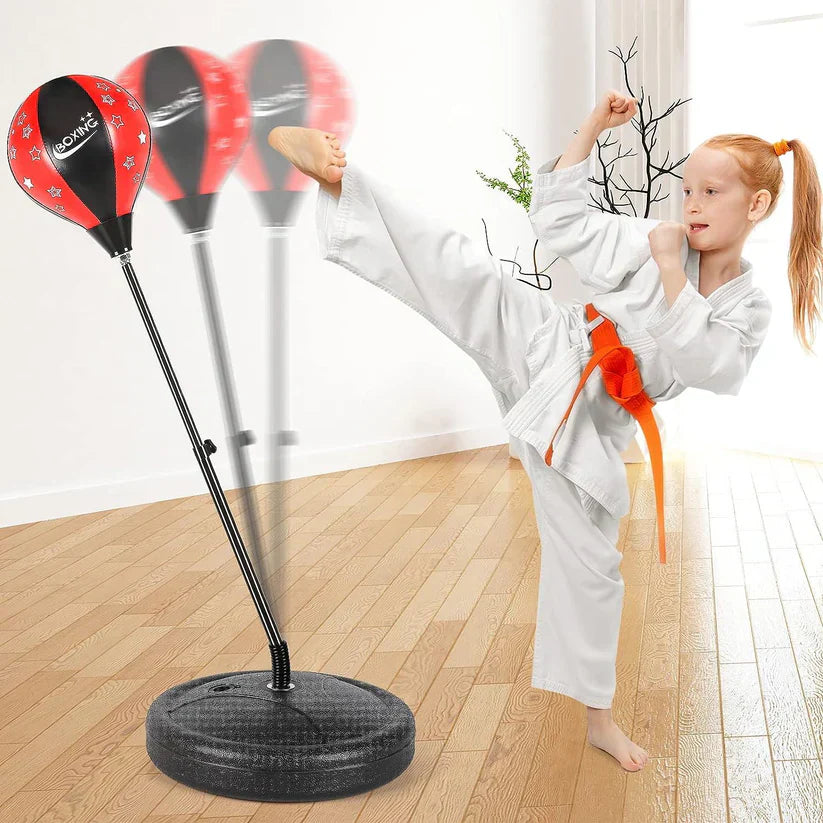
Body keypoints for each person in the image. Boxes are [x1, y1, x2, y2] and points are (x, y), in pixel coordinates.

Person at [265, 92, 822, 771]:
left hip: (590, 420)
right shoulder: (656, 237)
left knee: (592, 565)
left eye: (711, 191)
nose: (692, 204)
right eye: (687, 189)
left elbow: (706, 364)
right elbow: (559, 219)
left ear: (756, 205)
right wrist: (593, 127)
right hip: (552, 341)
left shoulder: (745, 304)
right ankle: (340, 179)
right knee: (459, 268)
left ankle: (598, 720)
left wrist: (671, 271)